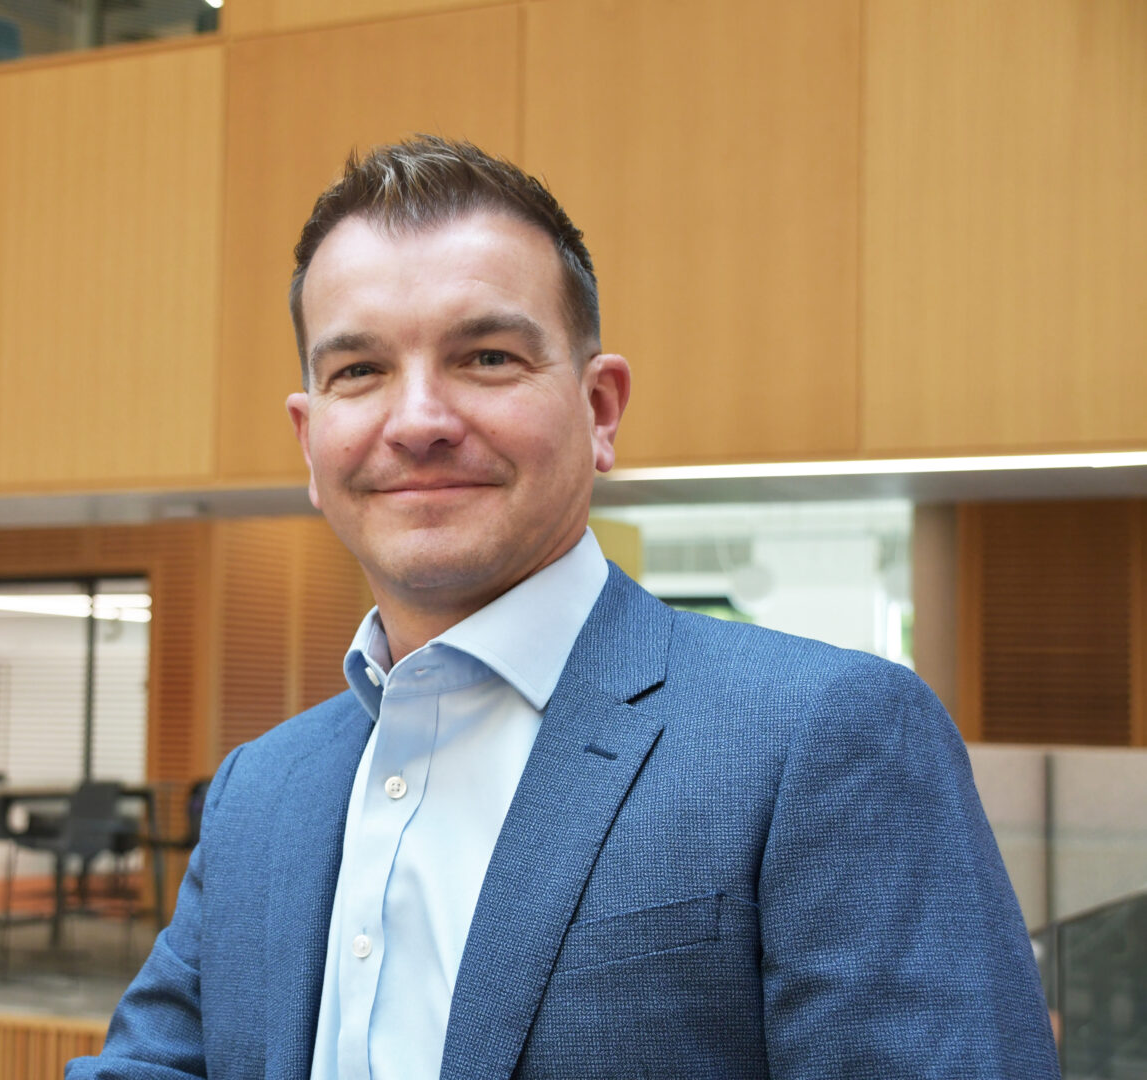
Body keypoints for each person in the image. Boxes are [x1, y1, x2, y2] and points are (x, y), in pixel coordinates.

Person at [67, 137, 1058, 1078]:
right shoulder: (260, 791)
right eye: (359, 371)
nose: (417, 422)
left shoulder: (825, 736)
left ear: (600, 410)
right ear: (310, 440)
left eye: (486, 356)